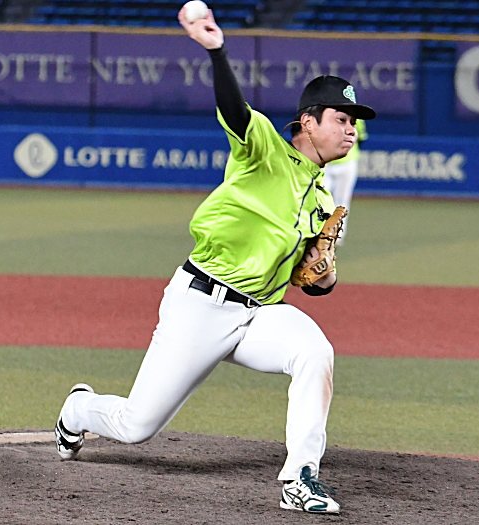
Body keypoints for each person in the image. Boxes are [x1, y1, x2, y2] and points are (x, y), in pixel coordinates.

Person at [53, 6, 375, 515]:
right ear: (308, 122)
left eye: (354, 121)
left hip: (259, 314)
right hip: (201, 303)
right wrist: (216, 51)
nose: (351, 129)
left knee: (315, 352)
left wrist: (324, 273)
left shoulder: (321, 200)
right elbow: (235, 108)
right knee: (138, 426)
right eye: (341, 118)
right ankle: (78, 409)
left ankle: (300, 478)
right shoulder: (264, 150)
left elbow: (313, 281)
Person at [323, 119, 367, 244]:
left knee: (342, 201)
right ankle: (320, 234)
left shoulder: (356, 117)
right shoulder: (326, 115)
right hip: (325, 163)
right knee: (321, 200)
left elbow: (360, 137)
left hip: (347, 162)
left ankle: (337, 236)